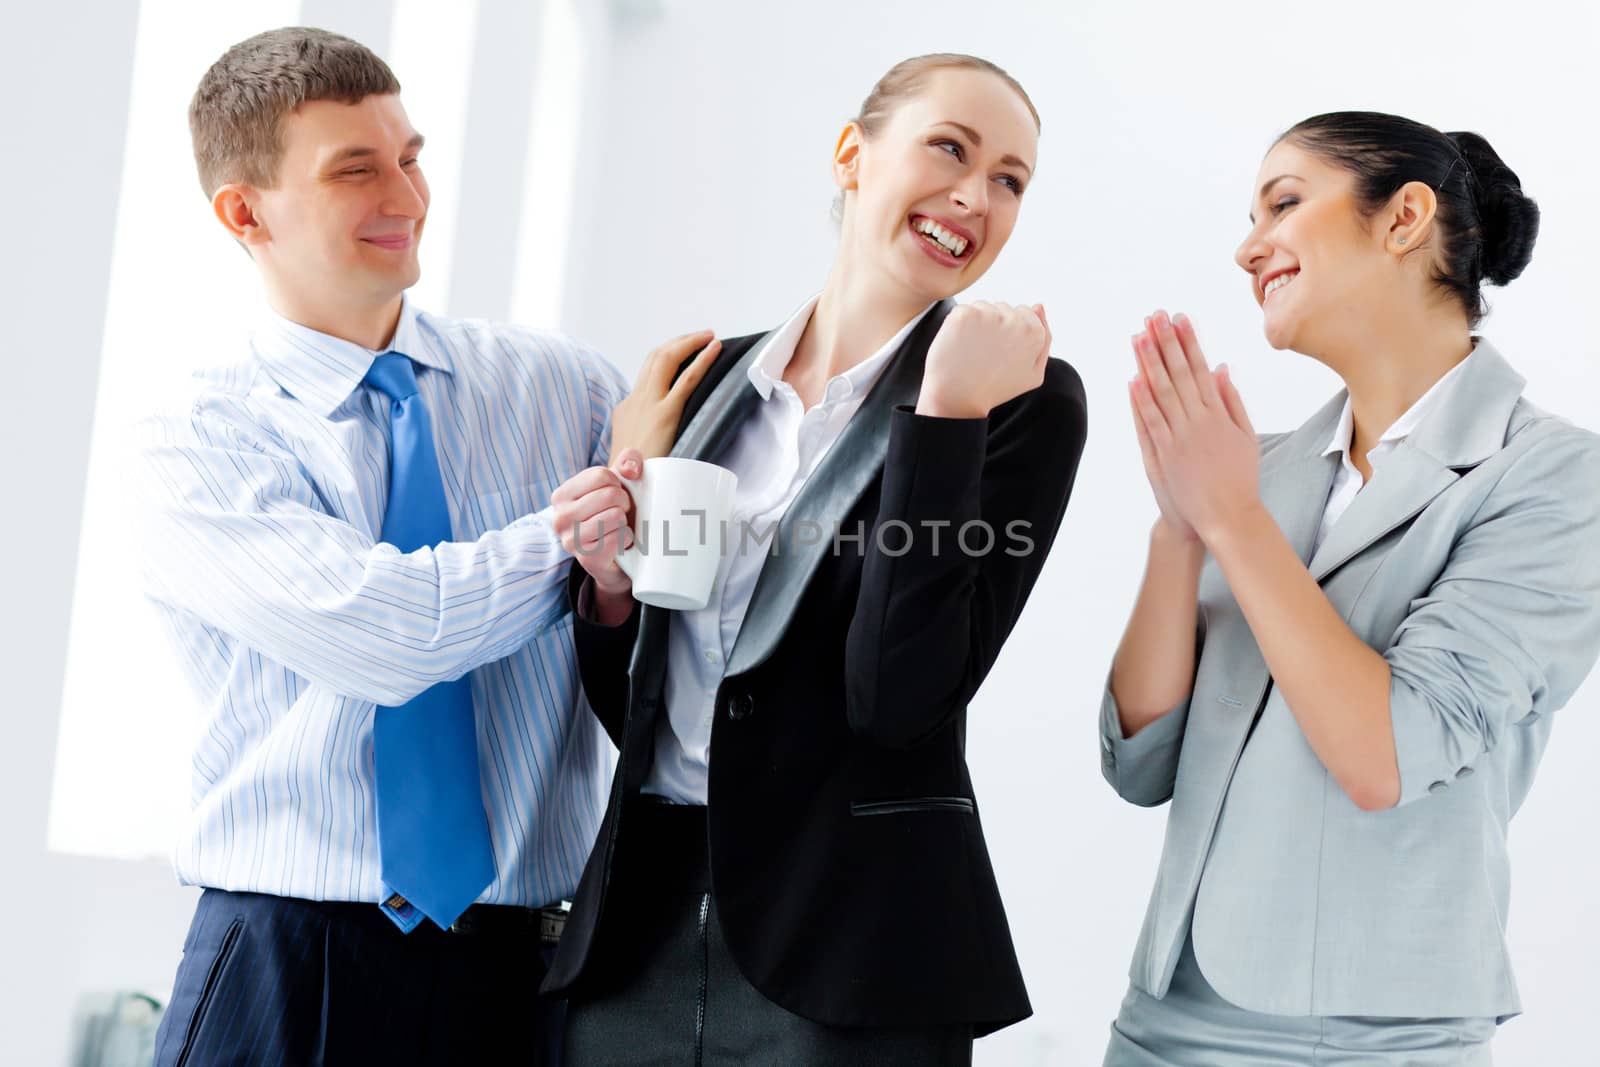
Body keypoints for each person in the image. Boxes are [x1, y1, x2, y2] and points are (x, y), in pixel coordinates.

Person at [140, 27, 712, 1066]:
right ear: (244, 211)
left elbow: (653, 627)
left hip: (519, 973)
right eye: (356, 170)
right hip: (288, 963)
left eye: (409, 157)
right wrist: (570, 528)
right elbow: (383, 632)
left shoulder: (565, 389)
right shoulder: (200, 439)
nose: (404, 196)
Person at [542, 53, 1087, 1063]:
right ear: (851, 153)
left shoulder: (1021, 396)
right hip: (638, 928)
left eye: (1010, 179)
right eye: (948, 148)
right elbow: (657, 705)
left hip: (853, 951)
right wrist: (612, 583)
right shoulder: (703, 386)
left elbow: (901, 695)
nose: (975, 196)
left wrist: (945, 416)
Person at [1100, 111, 1600, 1065]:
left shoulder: (1553, 476)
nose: (1249, 248)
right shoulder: (1263, 469)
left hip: (1377, 1036)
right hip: (1163, 1014)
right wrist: (1180, 524)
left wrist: (1232, 521)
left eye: (1283, 203)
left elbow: (1388, 756)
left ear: (1404, 217)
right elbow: (1141, 765)